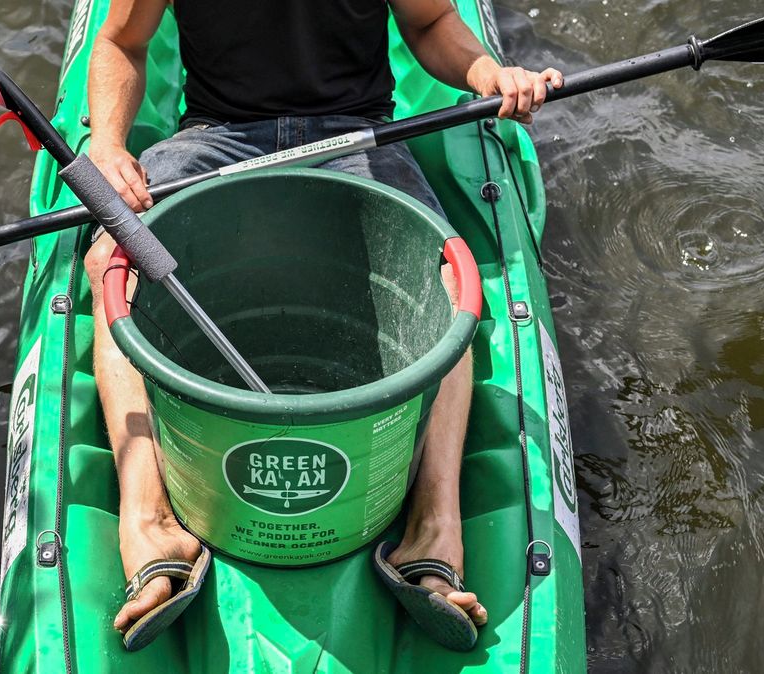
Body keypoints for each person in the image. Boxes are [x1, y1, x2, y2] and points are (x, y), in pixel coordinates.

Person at [81, 0, 563, 652]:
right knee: (111, 261)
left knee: (448, 278)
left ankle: (433, 527)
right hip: (217, 138)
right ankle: (150, 521)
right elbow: (119, 40)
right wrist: (109, 147)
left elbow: (429, 23)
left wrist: (488, 74)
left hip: (356, 135)